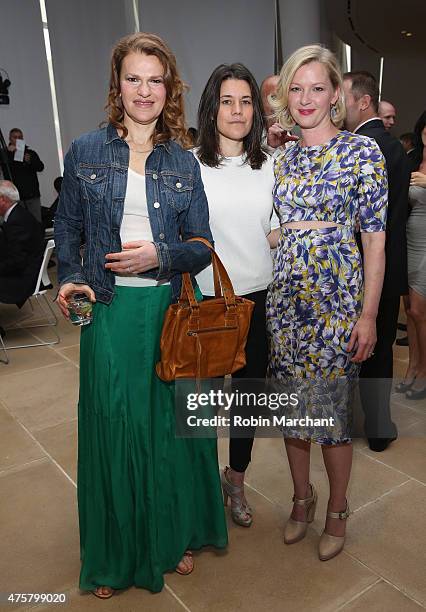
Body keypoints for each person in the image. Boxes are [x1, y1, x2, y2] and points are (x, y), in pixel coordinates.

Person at [54, 32, 227, 599]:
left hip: (168, 309)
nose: (144, 90)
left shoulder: (184, 158)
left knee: (168, 432)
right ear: (117, 84)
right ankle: (114, 555)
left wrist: (162, 254)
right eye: (134, 78)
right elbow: (70, 231)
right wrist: (71, 278)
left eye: (155, 79)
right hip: (108, 311)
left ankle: (169, 537)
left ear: (169, 88)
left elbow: (201, 243)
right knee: (114, 428)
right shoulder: (84, 151)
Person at [267, 45, 387, 561]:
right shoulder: (280, 157)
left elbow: (375, 241)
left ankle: (337, 509)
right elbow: (269, 227)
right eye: (296, 88)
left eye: (317, 87)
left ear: (337, 94)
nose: (306, 98)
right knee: (295, 415)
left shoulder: (363, 153)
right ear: (285, 96)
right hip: (285, 305)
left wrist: (369, 314)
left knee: (332, 419)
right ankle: (302, 499)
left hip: (339, 304)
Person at [195, 63, 280, 528]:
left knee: (249, 401)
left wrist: (295, 230)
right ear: (212, 109)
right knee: (204, 403)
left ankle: (236, 480)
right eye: (227, 101)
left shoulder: (269, 165)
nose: (237, 110)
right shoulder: (191, 165)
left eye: (246, 101)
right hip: (207, 303)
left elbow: (269, 231)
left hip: (257, 300)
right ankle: (204, 487)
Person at [343, 70, 410, 451]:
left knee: (370, 346)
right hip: (389, 261)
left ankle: (375, 426)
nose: (338, 105)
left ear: (362, 101)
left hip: (371, 264)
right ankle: (378, 426)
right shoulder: (389, 144)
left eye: (344, 97)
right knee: (377, 347)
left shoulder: (364, 147)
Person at [401, 111, 426, 399]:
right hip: (410, 239)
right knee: (410, 311)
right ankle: (413, 367)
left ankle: (424, 372)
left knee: (420, 311)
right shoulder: (412, 160)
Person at [0, 180, 44, 306]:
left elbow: (18, 260)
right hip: (26, 270)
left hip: (25, 279)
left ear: (3, 199)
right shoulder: (19, 214)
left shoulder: (17, 221)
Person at [7, 128, 44, 222]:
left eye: (20, 137)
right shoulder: (4, 154)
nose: (18, 139)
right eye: (15, 137)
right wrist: (10, 153)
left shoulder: (30, 153)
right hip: (14, 197)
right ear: (10, 139)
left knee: (36, 223)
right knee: (19, 225)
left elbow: (40, 167)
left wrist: (30, 161)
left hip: (32, 195)